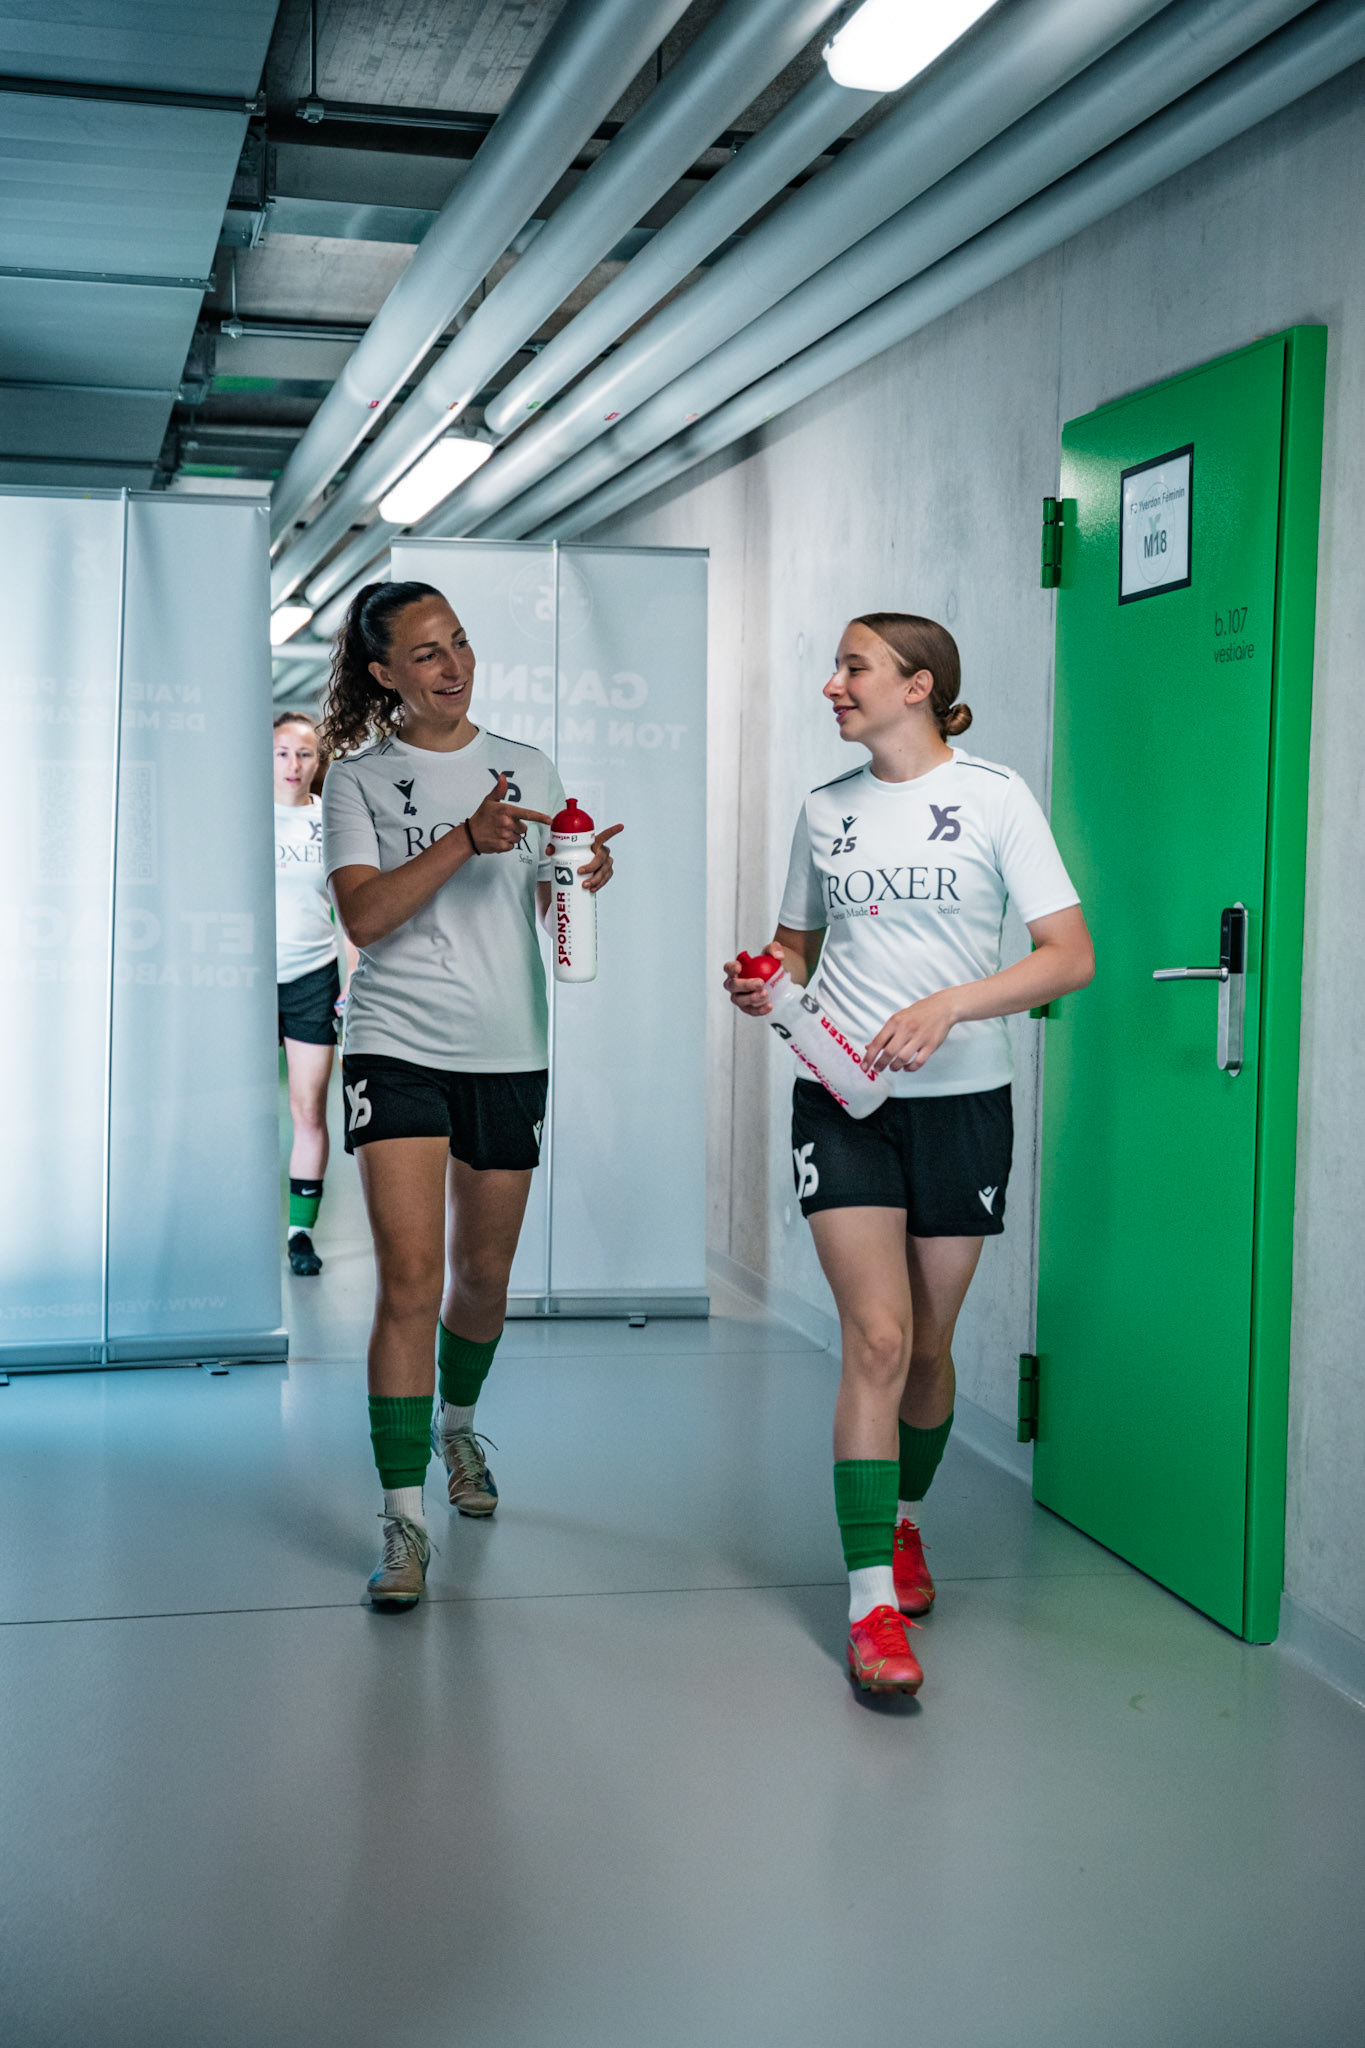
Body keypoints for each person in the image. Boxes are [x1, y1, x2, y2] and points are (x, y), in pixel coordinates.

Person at [724, 613, 1093, 1695]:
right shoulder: (824, 809)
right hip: (841, 1097)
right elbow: (795, 944)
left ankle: (905, 1518)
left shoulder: (994, 797)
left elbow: (1066, 957)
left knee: (931, 1346)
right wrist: (767, 979)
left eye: (854, 666)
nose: (832, 684)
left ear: (918, 684)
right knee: (876, 1337)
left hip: (963, 1105)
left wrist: (952, 1003)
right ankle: (871, 1602)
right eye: (837, 666)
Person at [319, 581, 622, 1611]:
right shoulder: (358, 780)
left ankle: (457, 1429)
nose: (453, 664)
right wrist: (463, 839)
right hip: (396, 1043)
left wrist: (578, 871)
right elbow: (365, 918)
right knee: (410, 1277)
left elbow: (538, 898)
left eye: (460, 643)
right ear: (384, 673)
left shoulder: (526, 766)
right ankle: (402, 1518)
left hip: (508, 1046)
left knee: (480, 1279)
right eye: (426, 651)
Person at [273, 712, 353, 1277]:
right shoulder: (241, 818)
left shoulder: (331, 823)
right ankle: (238, 1221)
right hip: (244, 980)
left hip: (313, 975)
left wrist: (351, 986)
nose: (293, 765)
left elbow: (350, 914)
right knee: (241, 1112)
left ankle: (301, 1233)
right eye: (281, 753)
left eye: (304, 754)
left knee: (308, 1109)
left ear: (317, 762)